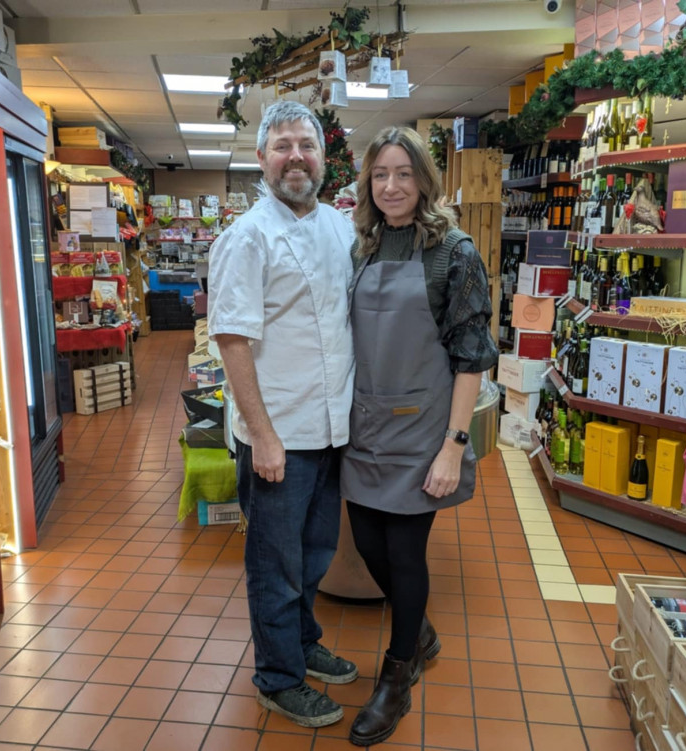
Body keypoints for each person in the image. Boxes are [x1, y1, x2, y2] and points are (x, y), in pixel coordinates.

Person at [341, 126, 498, 746]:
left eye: (404, 173)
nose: (392, 186)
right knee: (368, 544)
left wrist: (454, 447)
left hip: (424, 432)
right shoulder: (362, 246)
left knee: (405, 556)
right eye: (381, 175)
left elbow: (472, 356)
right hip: (366, 425)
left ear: (424, 180)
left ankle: (396, 676)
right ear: (368, 184)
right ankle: (420, 631)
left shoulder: (453, 252)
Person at [207, 100, 358, 728]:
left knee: (316, 551)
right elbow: (232, 339)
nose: (295, 157)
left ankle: (301, 642)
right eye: (283, 146)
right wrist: (263, 436)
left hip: (330, 429)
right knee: (275, 563)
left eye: (307, 145)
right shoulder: (246, 238)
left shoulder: (341, 228)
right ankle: (277, 675)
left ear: (324, 158)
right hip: (278, 437)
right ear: (262, 159)